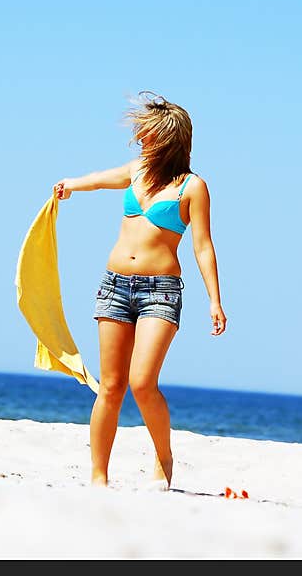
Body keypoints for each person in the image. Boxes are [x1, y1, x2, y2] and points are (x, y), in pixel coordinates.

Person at [53, 90, 227, 490]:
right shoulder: (137, 170)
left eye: (149, 134)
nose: (141, 140)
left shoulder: (192, 187)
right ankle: (99, 476)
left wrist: (215, 300)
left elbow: (203, 245)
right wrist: (71, 185)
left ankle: (164, 458)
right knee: (110, 385)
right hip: (114, 286)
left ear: (169, 138)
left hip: (161, 292)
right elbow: (99, 180)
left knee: (142, 382)